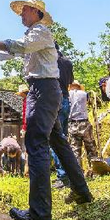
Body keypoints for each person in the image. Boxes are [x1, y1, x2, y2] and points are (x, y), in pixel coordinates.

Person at [0, 0, 92, 220]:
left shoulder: (41, 32)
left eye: (24, 10)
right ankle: (81, 191)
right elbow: (15, 53)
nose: (21, 15)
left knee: (36, 146)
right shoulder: (33, 37)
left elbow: (20, 46)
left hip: (43, 91)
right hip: (47, 92)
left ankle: (39, 217)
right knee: (59, 141)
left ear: (37, 12)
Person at [50, 43, 73, 189]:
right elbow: (70, 81)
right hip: (66, 99)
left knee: (55, 141)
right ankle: (68, 174)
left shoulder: (50, 59)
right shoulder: (67, 61)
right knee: (63, 139)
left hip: (54, 99)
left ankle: (63, 177)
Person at [68, 80, 98, 169]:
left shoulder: (66, 95)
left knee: (75, 150)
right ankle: (95, 169)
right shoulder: (84, 94)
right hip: (84, 122)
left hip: (72, 124)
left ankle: (78, 172)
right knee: (91, 147)